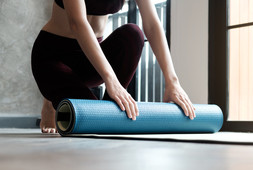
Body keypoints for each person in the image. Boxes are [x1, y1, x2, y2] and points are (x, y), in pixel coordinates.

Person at [31, 0, 196, 133]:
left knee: (133, 34)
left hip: (91, 60)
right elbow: (77, 23)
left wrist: (172, 82)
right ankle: (52, 99)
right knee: (91, 122)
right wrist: (112, 80)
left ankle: (112, 112)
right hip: (54, 58)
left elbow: (152, 24)